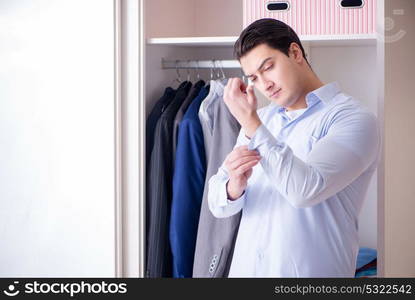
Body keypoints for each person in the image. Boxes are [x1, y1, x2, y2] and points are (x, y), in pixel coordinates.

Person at [207, 18, 381, 277]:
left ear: (295, 53)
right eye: (254, 77)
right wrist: (234, 186)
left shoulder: (353, 118)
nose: (264, 84)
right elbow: (217, 203)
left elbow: (305, 191)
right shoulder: (262, 119)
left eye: (268, 67)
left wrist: (251, 123)